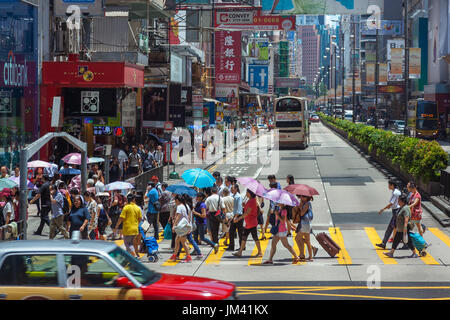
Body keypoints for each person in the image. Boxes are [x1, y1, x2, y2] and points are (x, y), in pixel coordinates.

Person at [384, 194, 418, 258]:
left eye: (399, 200)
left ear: (402, 201)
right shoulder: (402, 207)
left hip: (404, 229)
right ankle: (391, 253)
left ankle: (414, 253)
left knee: (408, 242)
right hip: (400, 229)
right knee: (396, 240)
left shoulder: (406, 208)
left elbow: (406, 219)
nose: (398, 201)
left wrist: (405, 231)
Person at [232, 189, 263, 258]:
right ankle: (240, 252)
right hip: (248, 223)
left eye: (247, 192)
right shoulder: (250, 200)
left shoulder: (252, 201)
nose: (246, 193)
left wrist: (238, 219)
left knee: (255, 237)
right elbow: (247, 210)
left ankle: (260, 252)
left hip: (252, 223)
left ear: (250, 193)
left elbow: (246, 213)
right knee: (244, 237)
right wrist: (244, 205)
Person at [113, 193, 142, 258]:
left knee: (128, 244)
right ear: (134, 199)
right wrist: (136, 223)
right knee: (130, 243)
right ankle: (128, 258)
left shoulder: (126, 208)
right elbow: (140, 218)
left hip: (127, 229)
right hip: (135, 229)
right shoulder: (137, 208)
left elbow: (121, 218)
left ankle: (134, 256)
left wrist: (117, 226)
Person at [376, 180, 402, 249]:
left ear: (392, 185)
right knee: (397, 228)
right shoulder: (396, 191)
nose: (388, 186)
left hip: (396, 212)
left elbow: (392, 203)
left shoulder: (395, 193)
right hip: (396, 211)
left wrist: (383, 209)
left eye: (389, 185)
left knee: (391, 228)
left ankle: (384, 243)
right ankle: (384, 243)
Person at [169, 194, 193, 263]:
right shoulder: (186, 206)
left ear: (177, 200)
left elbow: (178, 217)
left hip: (181, 227)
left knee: (183, 242)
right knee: (177, 241)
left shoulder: (179, 207)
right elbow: (188, 216)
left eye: (175, 200)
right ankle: (175, 255)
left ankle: (188, 257)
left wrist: (174, 225)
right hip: (184, 227)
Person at [293, 195, 316, 262]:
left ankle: (302, 254)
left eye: (303, 197)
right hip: (307, 224)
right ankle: (310, 257)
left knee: (297, 238)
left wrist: (300, 207)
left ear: (307, 198)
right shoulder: (306, 203)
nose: (302, 198)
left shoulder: (307, 204)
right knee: (307, 241)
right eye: (301, 197)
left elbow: (302, 213)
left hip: (304, 225)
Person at [226, 184, 244, 252]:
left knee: (240, 232)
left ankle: (242, 246)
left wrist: (235, 217)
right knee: (231, 232)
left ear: (236, 189)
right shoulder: (233, 196)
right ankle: (231, 246)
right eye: (231, 188)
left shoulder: (238, 197)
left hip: (238, 216)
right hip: (234, 216)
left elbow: (239, 208)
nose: (231, 189)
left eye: (232, 188)